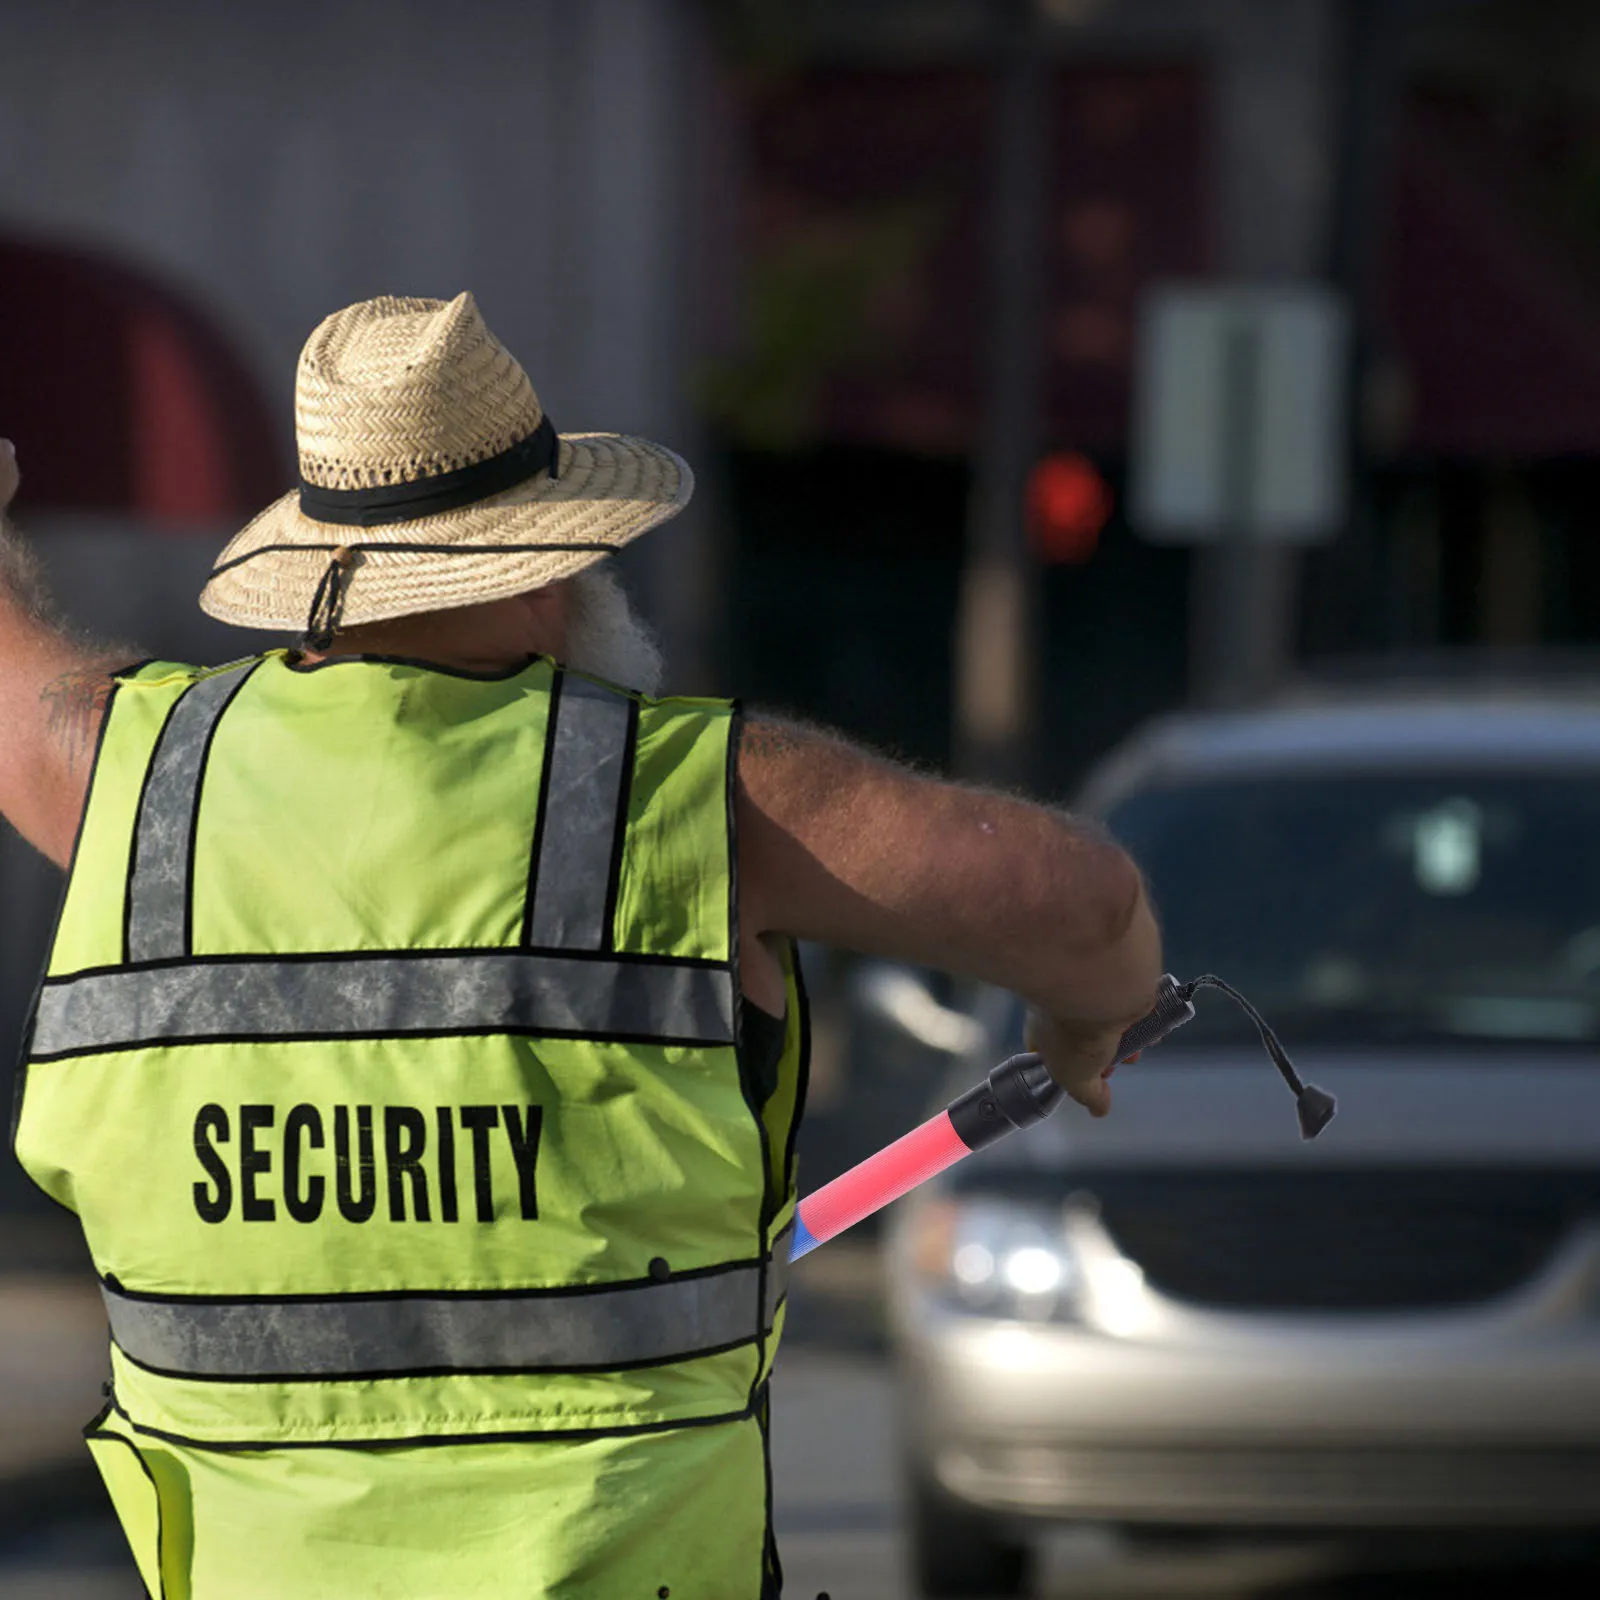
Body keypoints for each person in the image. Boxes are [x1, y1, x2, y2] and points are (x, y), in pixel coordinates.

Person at [1, 293, 1160, 1598]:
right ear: (557, 564)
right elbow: (1084, 904)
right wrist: (1083, 1020)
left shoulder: (129, 776)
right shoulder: (684, 802)